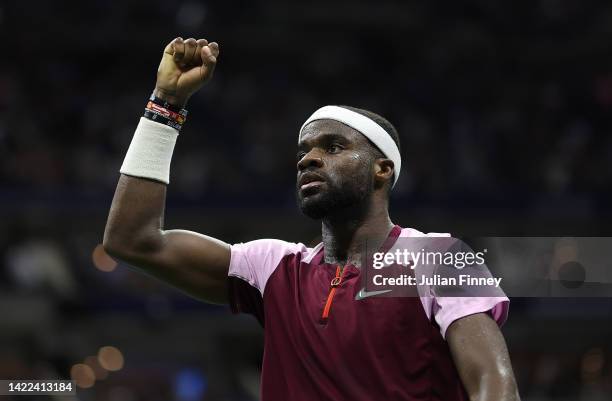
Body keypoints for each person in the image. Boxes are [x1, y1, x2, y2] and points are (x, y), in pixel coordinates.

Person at [103, 36, 520, 401]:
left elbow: (495, 388)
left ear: (382, 169)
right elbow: (132, 240)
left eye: (334, 147)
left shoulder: (437, 258)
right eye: (303, 152)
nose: (310, 159)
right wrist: (167, 103)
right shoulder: (273, 269)